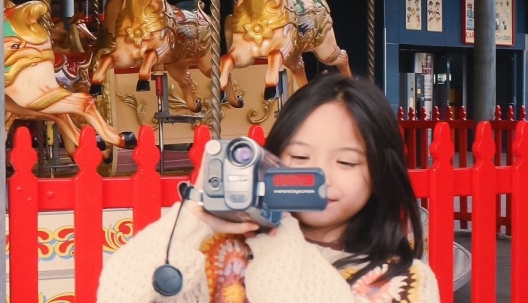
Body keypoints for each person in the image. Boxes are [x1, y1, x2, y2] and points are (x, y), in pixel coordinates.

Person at [96, 74, 440, 303]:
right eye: (300, 156)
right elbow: (118, 294)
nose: (319, 176)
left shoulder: (405, 280)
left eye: (347, 162)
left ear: (380, 172)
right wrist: (191, 218)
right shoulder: (219, 253)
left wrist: (279, 227)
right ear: (273, 158)